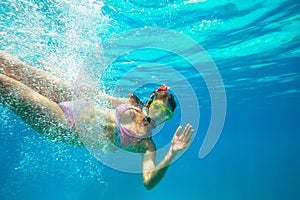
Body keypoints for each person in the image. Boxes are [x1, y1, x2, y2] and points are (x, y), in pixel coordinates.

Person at [0, 50, 194, 190]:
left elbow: (149, 182)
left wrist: (172, 152)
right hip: (75, 99)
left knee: (5, 85)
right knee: (17, 68)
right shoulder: (131, 102)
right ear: (150, 102)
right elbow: (99, 95)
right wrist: (64, 78)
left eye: (165, 114)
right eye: (158, 108)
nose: (158, 115)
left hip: (65, 126)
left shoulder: (145, 145)